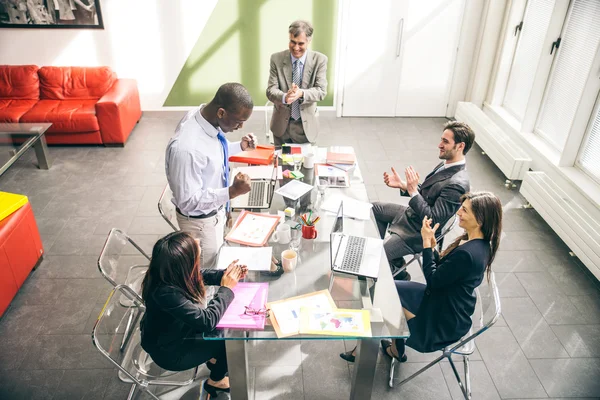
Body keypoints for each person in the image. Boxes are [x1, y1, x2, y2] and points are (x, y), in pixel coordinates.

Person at [341, 191, 502, 363]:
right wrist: (432, 247)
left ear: (480, 220)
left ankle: (366, 352)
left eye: (464, 211)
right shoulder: (480, 243)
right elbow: (446, 272)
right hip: (447, 300)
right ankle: (396, 349)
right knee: (383, 288)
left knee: (381, 297)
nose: (458, 213)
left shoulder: (469, 254)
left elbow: (433, 280)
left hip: (440, 321)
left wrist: (426, 244)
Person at [140, 231, 248, 397]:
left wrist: (224, 276)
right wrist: (226, 288)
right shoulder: (166, 294)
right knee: (231, 338)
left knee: (225, 328)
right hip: (171, 352)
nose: (199, 242)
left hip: (173, 334)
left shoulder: (164, 274)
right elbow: (207, 321)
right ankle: (216, 380)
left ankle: (213, 359)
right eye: (196, 256)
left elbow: (198, 275)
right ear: (185, 264)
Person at [165, 82, 256, 269]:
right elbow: (188, 201)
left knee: (220, 261)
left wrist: (239, 146)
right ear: (221, 113)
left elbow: (211, 155)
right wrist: (231, 192)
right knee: (209, 273)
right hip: (201, 224)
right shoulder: (186, 149)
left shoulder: (201, 118)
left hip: (214, 212)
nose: (241, 127)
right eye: (238, 121)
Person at [373, 121, 474, 280]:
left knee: (376, 256)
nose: (439, 145)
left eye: (445, 142)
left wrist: (413, 191)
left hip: (418, 233)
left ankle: (399, 275)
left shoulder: (457, 184)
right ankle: (393, 260)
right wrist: (404, 185)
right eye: (441, 139)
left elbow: (433, 219)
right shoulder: (446, 164)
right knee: (374, 209)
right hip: (411, 216)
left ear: (460, 146)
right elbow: (429, 194)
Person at [266, 20, 328, 145]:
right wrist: (285, 97)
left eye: (301, 43)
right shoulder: (276, 59)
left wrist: (301, 93)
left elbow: (321, 91)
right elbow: (270, 90)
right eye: (292, 42)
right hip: (281, 127)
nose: (296, 47)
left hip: (306, 128)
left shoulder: (320, 60)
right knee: (281, 162)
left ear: (309, 41)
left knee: (306, 163)